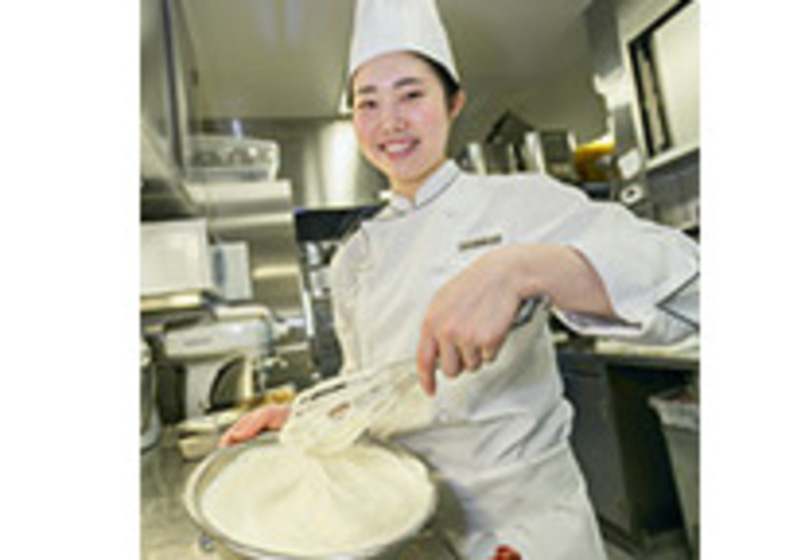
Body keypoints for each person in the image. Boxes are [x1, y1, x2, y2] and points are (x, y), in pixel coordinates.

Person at [221, 0, 699, 558]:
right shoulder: (351, 258)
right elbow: (369, 389)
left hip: (523, 532)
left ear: (454, 103)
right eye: (368, 103)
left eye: (411, 95)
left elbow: (690, 286)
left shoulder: (519, 202)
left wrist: (524, 268)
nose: (390, 121)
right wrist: (311, 417)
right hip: (401, 527)